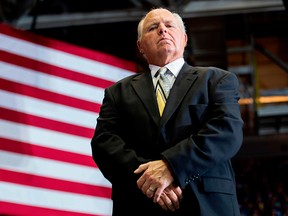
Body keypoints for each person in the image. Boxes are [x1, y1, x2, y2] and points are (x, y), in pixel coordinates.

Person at [91, 7, 243, 216]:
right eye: (153, 27)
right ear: (140, 46)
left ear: (184, 38)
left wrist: (173, 167)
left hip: (206, 204)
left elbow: (226, 132)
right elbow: (104, 144)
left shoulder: (218, 80)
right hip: (139, 204)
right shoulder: (117, 92)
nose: (163, 30)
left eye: (169, 25)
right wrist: (151, 181)